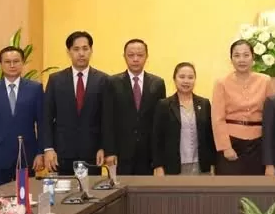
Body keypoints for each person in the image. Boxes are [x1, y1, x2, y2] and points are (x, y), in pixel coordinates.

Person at [43, 31, 108, 175]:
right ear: (69, 52)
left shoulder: (103, 80)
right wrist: (48, 148)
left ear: (91, 50)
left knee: (91, 195)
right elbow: (46, 117)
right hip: (62, 153)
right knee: (64, 195)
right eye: (76, 49)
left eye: (85, 48)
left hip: (92, 154)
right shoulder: (56, 80)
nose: (81, 53)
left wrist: (104, 147)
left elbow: (107, 118)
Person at [0, 46, 44, 187]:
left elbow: (42, 124)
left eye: (16, 61)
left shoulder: (35, 88)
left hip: (27, 155)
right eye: (7, 62)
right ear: (1, 65)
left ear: (22, 63)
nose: (12, 65)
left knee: (27, 197)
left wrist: (40, 152)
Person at [102, 39, 167, 175]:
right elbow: (107, 119)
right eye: (131, 55)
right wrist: (110, 151)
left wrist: (158, 158)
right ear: (124, 57)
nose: (135, 59)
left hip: (148, 153)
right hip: (120, 153)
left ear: (146, 57)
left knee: (146, 194)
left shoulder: (158, 83)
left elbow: (159, 122)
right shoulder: (112, 83)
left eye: (140, 55)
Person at [211, 39, 271, 175]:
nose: (241, 59)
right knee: (231, 189)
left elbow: (270, 116)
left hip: (258, 143)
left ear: (253, 58)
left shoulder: (265, 81)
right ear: (231, 59)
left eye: (246, 55)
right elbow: (217, 118)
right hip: (232, 142)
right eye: (236, 55)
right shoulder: (221, 83)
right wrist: (225, 147)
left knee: (256, 189)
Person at [152, 63, 215, 175]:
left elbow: (210, 136)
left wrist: (213, 164)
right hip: (173, 167)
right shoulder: (164, 105)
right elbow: (157, 138)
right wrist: (158, 165)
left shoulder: (204, 104)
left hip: (201, 166)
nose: (186, 81)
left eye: (190, 77)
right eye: (182, 77)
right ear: (174, 79)